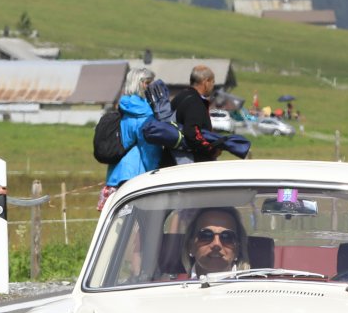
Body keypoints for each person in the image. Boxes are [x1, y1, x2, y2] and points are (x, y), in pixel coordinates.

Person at [101, 68, 179, 210]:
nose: (151, 87)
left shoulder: (126, 107)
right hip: (135, 176)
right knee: (145, 220)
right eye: (148, 83)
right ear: (139, 84)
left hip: (117, 173)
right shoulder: (144, 113)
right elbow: (149, 150)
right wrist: (155, 173)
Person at [169, 64, 220, 165]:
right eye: (213, 82)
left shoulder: (180, 96)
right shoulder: (195, 102)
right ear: (206, 82)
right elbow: (192, 133)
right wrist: (211, 150)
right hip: (186, 162)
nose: (213, 86)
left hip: (172, 156)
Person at [182, 207, 249, 276]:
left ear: (238, 249)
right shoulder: (176, 282)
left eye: (227, 237)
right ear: (190, 246)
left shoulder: (255, 282)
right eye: (206, 236)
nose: (216, 244)